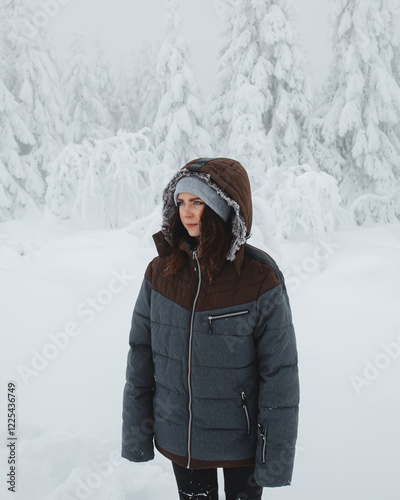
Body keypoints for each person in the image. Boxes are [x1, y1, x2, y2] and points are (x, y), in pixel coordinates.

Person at [121, 157, 300, 500]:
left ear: (224, 208)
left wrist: (274, 457)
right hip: (183, 438)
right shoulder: (161, 272)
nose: (187, 212)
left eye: (198, 202)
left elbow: (280, 374)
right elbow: (141, 353)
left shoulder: (260, 278)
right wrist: (136, 435)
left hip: (242, 445)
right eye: (181, 202)